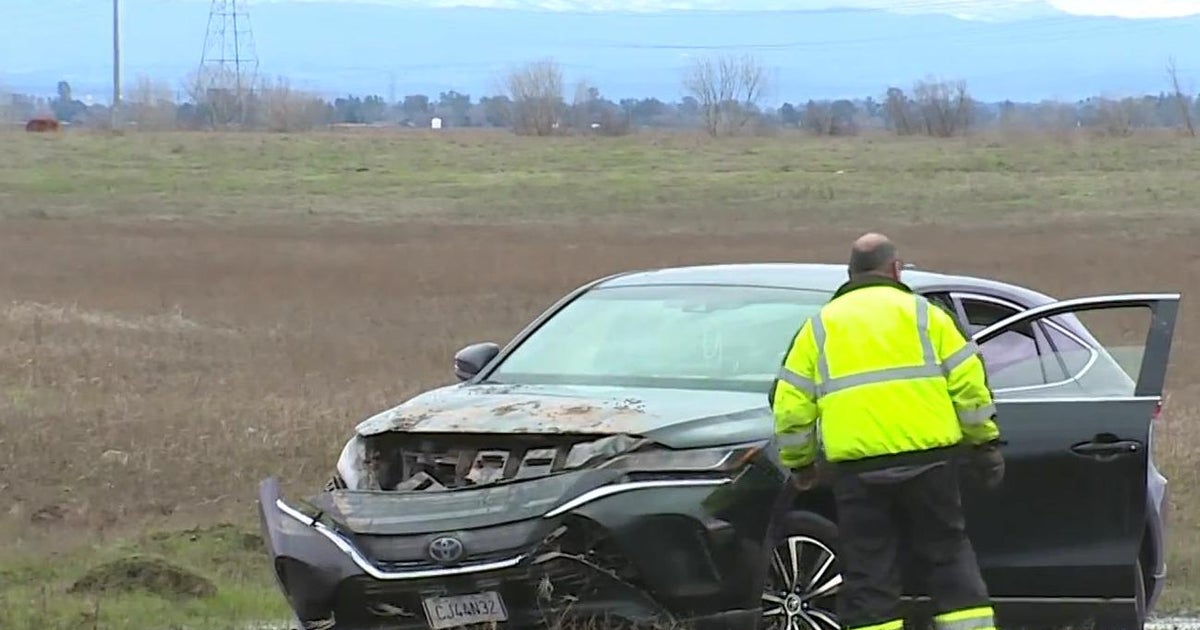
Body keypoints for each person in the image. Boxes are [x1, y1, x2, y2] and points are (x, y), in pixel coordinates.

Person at [769, 232, 1005, 630]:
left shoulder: (820, 328)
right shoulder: (926, 316)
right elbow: (970, 388)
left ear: (849, 274)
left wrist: (801, 465)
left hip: (858, 473)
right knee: (949, 558)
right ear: (895, 269)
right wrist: (985, 445)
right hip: (931, 464)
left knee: (869, 572)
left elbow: (791, 407)